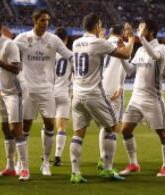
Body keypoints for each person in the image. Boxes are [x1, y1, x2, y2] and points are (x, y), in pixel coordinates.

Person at [70, 13, 135, 184]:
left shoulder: (76, 42)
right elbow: (126, 54)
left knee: (78, 134)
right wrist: (131, 38)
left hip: (77, 94)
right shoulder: (99, 42)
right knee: (112, 127)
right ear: (97, 26)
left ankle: (75, 173)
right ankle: (107, 169)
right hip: (93, 93)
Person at [14, 9, 73, 176]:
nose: (46, 23)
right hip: (28, 90)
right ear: (35, 20)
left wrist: (83, 60)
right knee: (25, 126)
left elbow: (68, 55)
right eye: (42, 20)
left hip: (47, 90)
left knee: (49, 124)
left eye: (47, 20)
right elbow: (10, 53)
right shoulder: (22, 38)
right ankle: (21, 162)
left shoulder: (53, 40)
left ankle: (46, 162)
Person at [119, 19, 165, 177]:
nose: (138, 29)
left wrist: (140, 39)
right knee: (125, 130)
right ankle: (133, 164)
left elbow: (155, 56)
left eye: (142, 28)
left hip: (152, 98)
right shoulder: (141, 50)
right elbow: (129, 70)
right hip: (136, 97)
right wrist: (122, 54)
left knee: (162, 133)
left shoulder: (161, 48)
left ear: (151, 31)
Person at [0, 18, 30, 181]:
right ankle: (10, 167)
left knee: (16, 129)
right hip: (5, 92)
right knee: (5, 128)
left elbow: (16, 68)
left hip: (15, 92)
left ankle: (24, 169)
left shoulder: (9, 45)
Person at [97, 24, 127, 170]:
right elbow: (124, 67)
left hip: (100, 87)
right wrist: (121, 85)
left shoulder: (102, 43)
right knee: (115, 128)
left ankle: (102, 158)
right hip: (115, 88)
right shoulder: (124, 45)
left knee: (104, 125)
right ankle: (108, 165)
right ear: (121, 33)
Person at [53, 27, 73, 167]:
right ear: (66, 39)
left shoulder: (49, 54)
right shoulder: (71, 55)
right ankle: (57, 156)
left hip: (49, 92)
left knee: (47, 126)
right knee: (61, 127)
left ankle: (46, 154)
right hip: (64, 92)